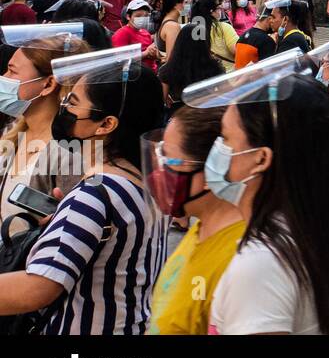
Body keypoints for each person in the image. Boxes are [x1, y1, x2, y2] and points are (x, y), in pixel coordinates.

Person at [0, 48, 167, 333]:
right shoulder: (140, 183)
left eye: (72, 104)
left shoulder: (95, 193)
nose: (63, 110)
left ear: (106, 124)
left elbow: (37, 288)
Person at [208, 73, 329, 335]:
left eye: (225, 139)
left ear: (261, 159)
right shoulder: (309, 226)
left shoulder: (261, 265)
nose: (217, 150)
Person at [145, 105, 246, 334]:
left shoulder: (237, 257)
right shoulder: (202, 226)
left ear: (212, 170)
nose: (157, 176)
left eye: (169, 162)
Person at [0, 31, 90, 227]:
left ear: (48, 84)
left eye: (12, 71)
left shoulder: (69, 151)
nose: (3, 78)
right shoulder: (16, 129)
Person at [157, 3, 224, 111]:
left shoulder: (167, 69)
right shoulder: (214, 65)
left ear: (180, 42)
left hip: (179, 115)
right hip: (207, 113)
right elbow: (224, 93)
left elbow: (161, 100)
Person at [112, 0, 158, 70]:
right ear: (128, 16)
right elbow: (121, 59)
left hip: (151, 73)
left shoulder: (145, 32)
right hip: (136, 76)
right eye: (138, 16)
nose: (142, 19)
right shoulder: (122, 34)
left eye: (146, 16)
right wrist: (146, 53)